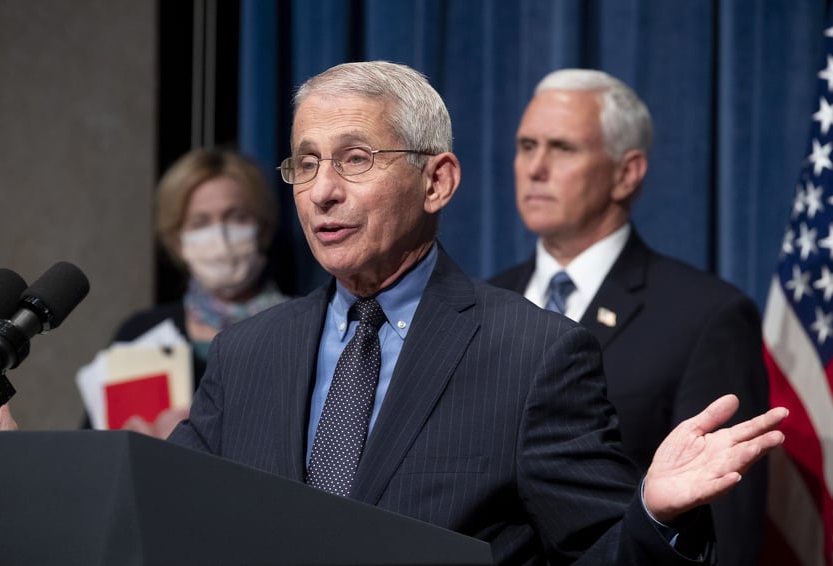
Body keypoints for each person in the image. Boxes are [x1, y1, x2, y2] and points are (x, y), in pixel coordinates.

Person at [158, 61, 786, 565]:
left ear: (437, 182)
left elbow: (596, 548)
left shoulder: (532, 354)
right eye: (307, 162)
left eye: (355, 159)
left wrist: (653, 513)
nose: (323, 189)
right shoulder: (245, 353)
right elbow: (171, 521)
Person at [488, 68, 769, 566]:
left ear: (627, 172)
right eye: (526, 145)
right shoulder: (484, 299)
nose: (535, 167)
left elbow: (725, 532)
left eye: (563, 148)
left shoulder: (707, 316)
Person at [87, 148, 289, 437]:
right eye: (200, 222)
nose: (220, 235)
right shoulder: (140, 336)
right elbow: (96, 454)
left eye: (236, 217)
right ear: (177, 241)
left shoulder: (301, 328)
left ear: (263, 229)